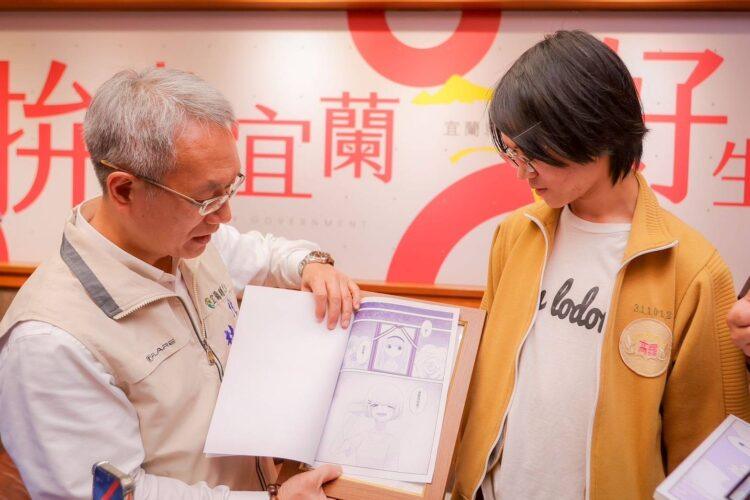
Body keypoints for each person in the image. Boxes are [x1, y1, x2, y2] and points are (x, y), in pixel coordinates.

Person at [0, 67, 360, 499]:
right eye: (206, 198)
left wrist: (311, 265)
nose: (224, 215)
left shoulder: (186, 241)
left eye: (231, 188)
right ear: (124, 190)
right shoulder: (50, 342)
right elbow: (119, 494)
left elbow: (264, 255)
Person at [451, 30, 750, 500]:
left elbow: (705, 445)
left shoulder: (693, 268)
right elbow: (483, 382)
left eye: (535, 155)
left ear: (598, 130)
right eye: (513, 154)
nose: (523, 173)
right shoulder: (517, 234)